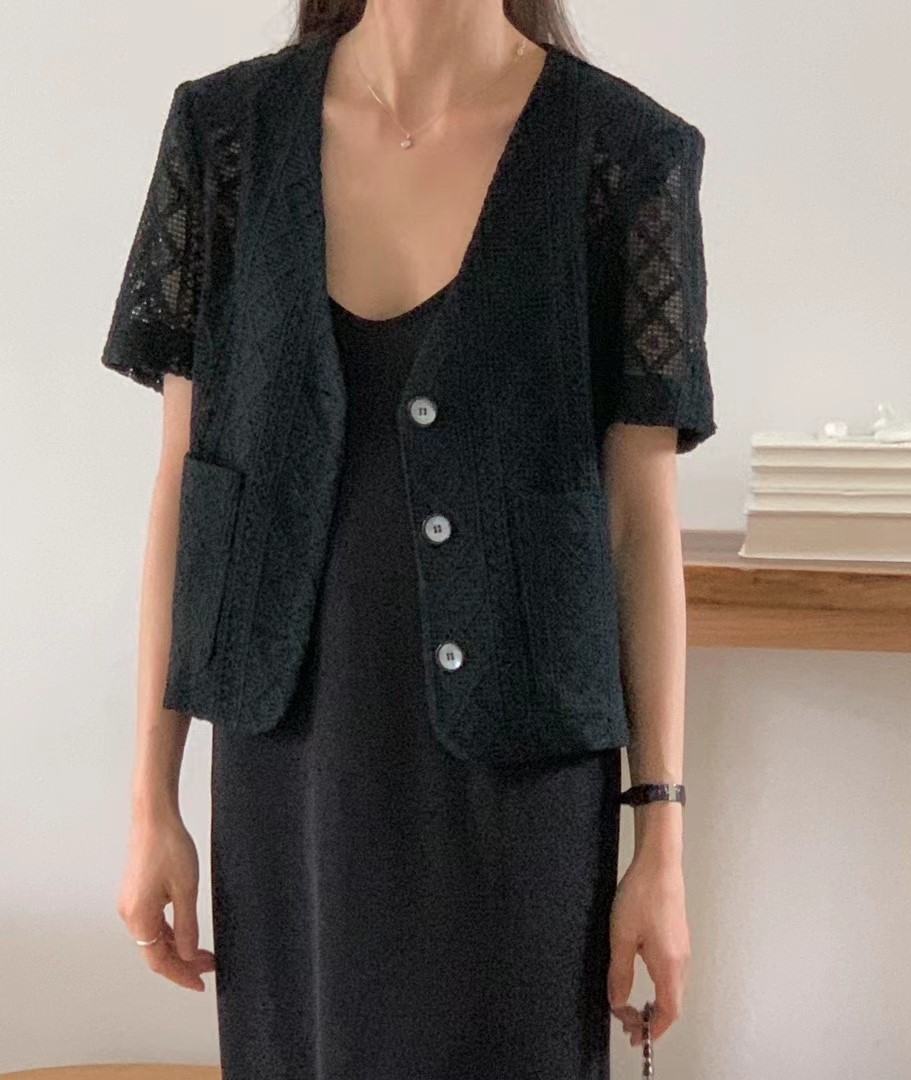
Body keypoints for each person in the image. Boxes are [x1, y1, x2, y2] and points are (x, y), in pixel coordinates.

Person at [108, 2, 717, 1077]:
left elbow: (639, 521)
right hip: (289, 769)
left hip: (520, 786)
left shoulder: (625, 156)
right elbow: (186, 488)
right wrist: (151, 796)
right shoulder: (225, 136)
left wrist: (660, 839)